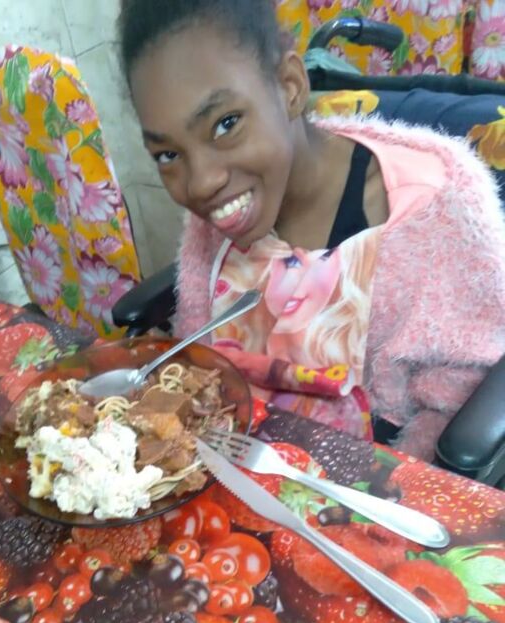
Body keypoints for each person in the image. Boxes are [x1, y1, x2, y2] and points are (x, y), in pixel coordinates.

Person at [116, 0, 505, 459]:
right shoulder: (226, 201)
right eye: (168, 154)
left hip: (370, 479)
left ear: (290, 87)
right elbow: (203, 361)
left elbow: (452, 414)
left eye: (225, 124)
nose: (200, 182)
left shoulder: (434, 211)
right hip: (231, 458)